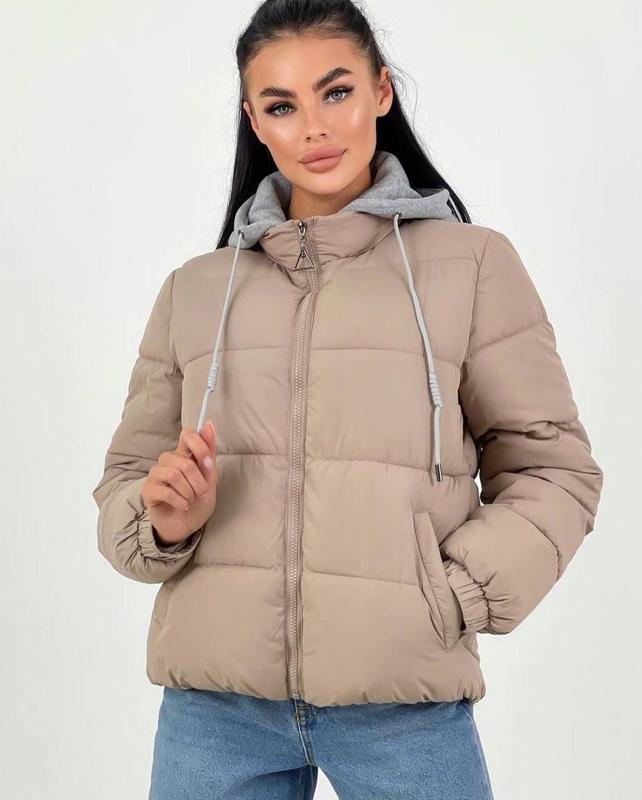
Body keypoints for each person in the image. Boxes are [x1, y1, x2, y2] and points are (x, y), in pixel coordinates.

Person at [91, 1, 604, 798]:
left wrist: (453, 596)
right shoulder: (196, 290)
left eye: (336, 93)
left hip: (402, 706)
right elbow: (125, 482)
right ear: (254, 122)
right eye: (281, 106)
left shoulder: (471, 266)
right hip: (215, 711)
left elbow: (555, 470)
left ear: (381, 93)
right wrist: (162, 518)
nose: (314, 128)